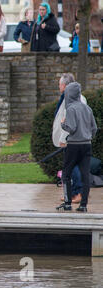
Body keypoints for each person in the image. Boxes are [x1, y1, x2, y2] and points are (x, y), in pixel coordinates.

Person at [56, 82, 97, 212]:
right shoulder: (87, 108)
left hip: (73, 146)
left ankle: (68, 203)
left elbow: (71, 128)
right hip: (87, 145)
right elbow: (94, 128)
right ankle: (83, 205)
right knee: (85, 175)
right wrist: (88, 137)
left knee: (66, 174)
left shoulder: (71, 109)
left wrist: (63, 124)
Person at [53, 73, 88, 204]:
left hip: (73, 138)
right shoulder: (75, 98)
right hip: (77, 137)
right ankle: (72, 193)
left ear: (66, 85)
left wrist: (63, 138)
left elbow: (69, 121)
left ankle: (77, 192)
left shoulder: (72, 100)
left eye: (60, 84)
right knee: (72, 166)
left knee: (72, 166)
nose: (59, 87)